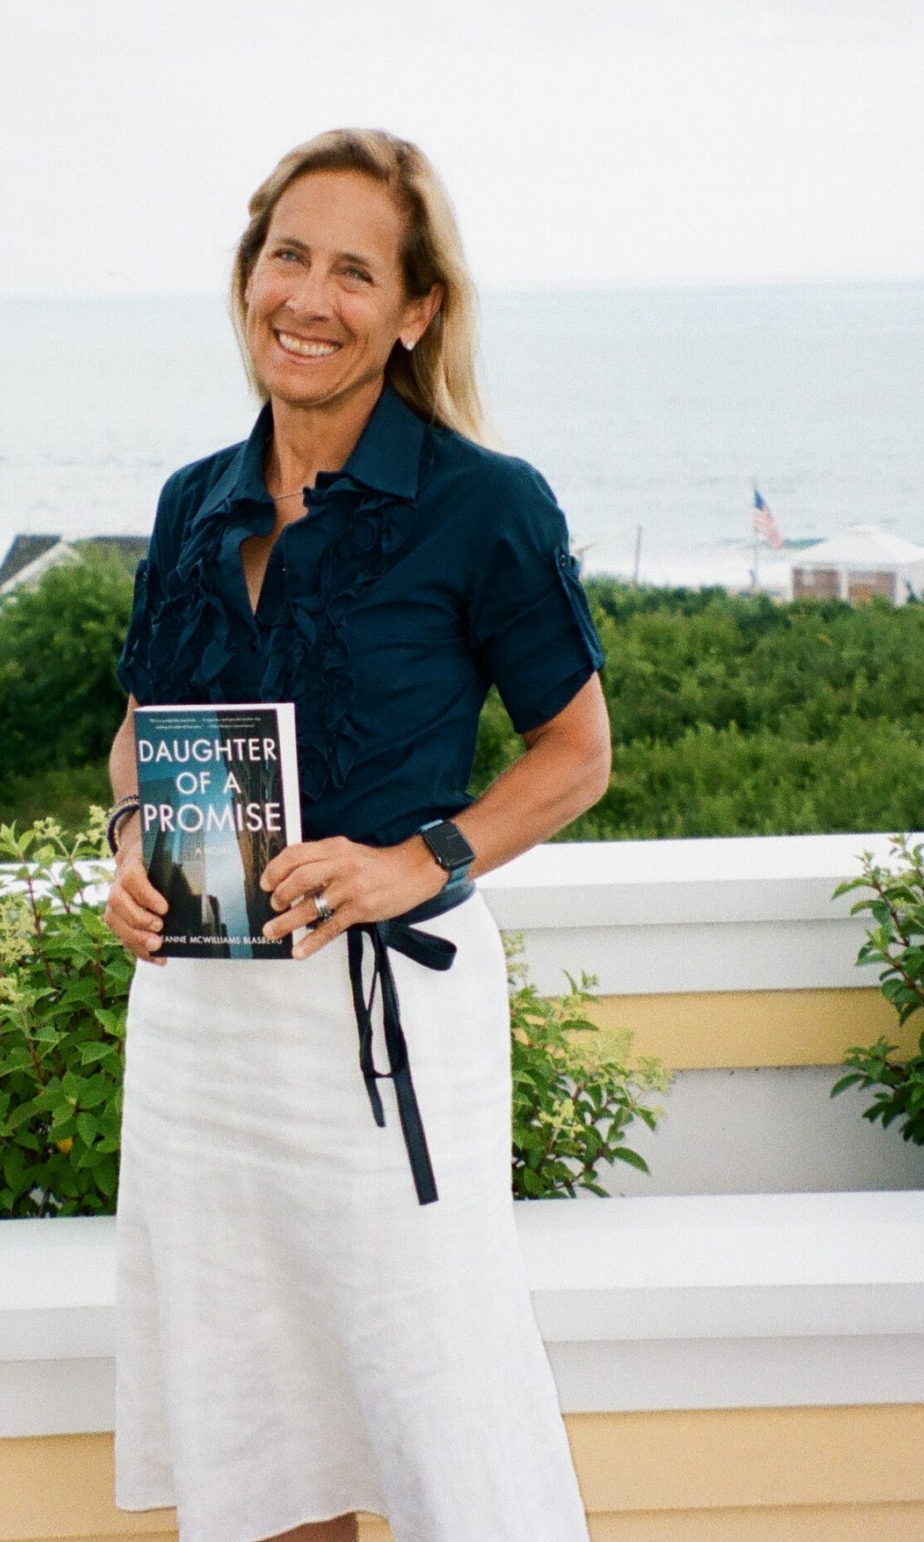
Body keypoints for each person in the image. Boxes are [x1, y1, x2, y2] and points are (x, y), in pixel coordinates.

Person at [101, 128, 612, 1542]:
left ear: (414, 310)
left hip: (385, 1039)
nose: (308, 299)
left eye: (352, 271)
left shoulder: (484, 504)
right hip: (202, 1033)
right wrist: (133, 840)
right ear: (247, 277)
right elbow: (143, 727)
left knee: (445, 1417)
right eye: (286, 257)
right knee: (251, 1425)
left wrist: (417, 861)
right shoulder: (190, 502)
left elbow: (576, 755)